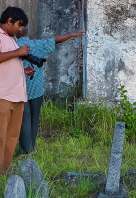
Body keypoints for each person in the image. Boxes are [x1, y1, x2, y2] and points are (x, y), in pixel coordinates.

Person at [0, 7, 39, 175]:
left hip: (16, 97)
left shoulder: (10, 39)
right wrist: (17, 52)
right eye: (19, 25)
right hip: (0, 96)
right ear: (9, 20)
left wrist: (23, 69)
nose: (20, 29)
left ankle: (2, 174)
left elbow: (7, 61)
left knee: (11, 138)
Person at [13, 18, 84, 157]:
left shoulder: (12, 47)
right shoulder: (37, 45)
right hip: (37, 89)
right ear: (24, 30)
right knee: (34, 120)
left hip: (19, 90)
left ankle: (24, 150)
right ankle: (31, 148)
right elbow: (56, 40)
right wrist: (72, 34)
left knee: (24, 121)